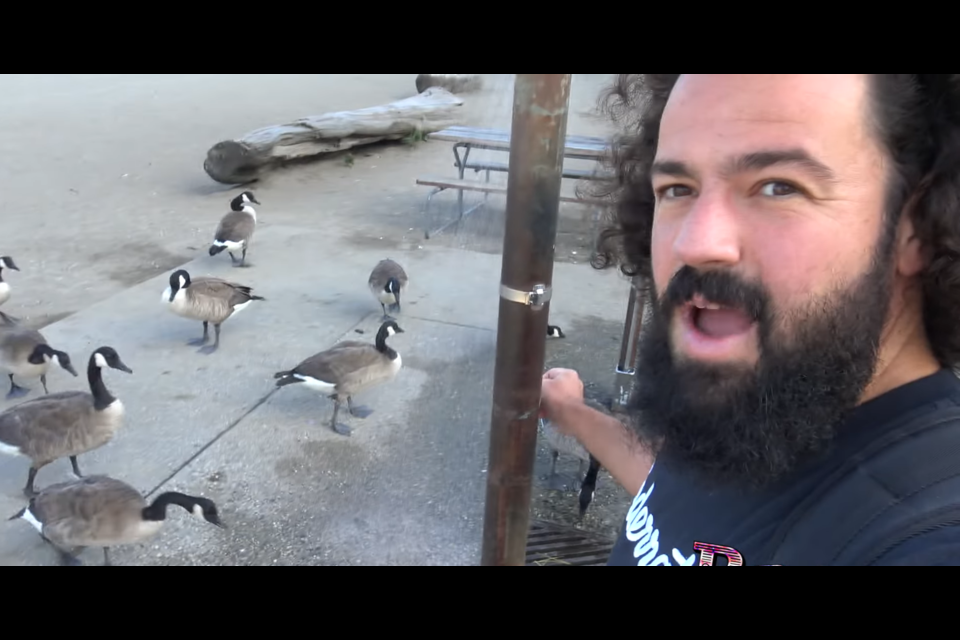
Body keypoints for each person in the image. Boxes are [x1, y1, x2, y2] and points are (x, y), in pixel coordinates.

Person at [539, 74, 960, 566]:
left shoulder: (926, 528)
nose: (694, 243)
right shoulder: (774, 403)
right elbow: (690, 494)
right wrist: (576, 415)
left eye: (779, 187)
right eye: (678, 188)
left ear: (916, 227)